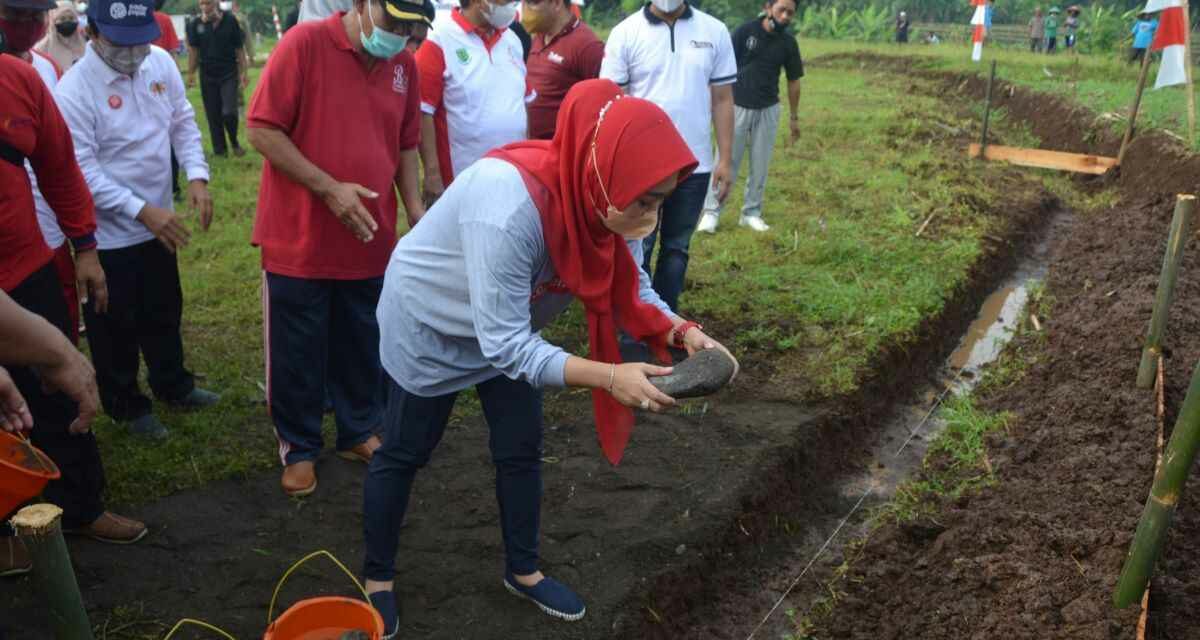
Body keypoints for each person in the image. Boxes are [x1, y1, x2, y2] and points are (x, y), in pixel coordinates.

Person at [362, 79, 738, 638]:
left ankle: (523, 569)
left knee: (520, 447)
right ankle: (377, 579)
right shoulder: (508, 208)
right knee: (405, 450)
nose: (652, 215)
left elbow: (632, 284)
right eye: (647, 200)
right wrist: (608, 376)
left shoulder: (608, 193)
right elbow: (506, 346)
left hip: (510, 325)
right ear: (604, 174)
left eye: (661, 199)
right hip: (433, 324)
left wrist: (684, 332)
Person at [246, 0, 431, 497]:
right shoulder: (304, 44)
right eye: (395, 23)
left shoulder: (403, 66)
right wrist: (328, 188)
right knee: (298, 347)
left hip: (370, 235)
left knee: (362, 337)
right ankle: (299, 447)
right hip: (300, 237)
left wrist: (414, 207)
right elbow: (261, 129)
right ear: (363, 5)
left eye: (413, 29)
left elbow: (406, 142)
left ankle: (358, 429)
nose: (402, 37)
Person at [0, 49, 144, 574]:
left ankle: (81, 505)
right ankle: (4, 530)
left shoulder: (16, 79)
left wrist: (85, 246)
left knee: (62, 390)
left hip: (25, 268)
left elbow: (60, 167)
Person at [56, 0, 220, 440]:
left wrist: (197, 175)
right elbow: (82, 171)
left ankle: (173, 383)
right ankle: (126, 405)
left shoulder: (159, 62)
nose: (133, 54)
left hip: (160, 219)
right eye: (121, 43)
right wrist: (141, 211)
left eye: (139, 42)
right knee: (115, 323)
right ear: (92, 33)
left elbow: (182, 122)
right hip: (109, 236)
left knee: (164, 306)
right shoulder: (73, 90)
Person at [600, 0, 736, 312]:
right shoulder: (626, 33)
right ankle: (634, 322)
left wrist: (725, 160)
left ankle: (667, 322)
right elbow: (611, 102)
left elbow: (723, 99)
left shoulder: (714, 31)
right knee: (638, 246)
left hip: (695, 165)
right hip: (641, 167)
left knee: (677, 248)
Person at [696, 0, 801, 235]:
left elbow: (794, 80)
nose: (785, 16)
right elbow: (721, 68)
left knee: (760, 164)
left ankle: (751, 213)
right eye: (781, 10)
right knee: (726, 160)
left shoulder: (788, 43)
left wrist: (794, 118)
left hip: (768, 108)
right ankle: (711, 211)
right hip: (737, 106)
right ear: (768, 7)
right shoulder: (745, 32)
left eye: (790, 13)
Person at [415, 0, 533, 205]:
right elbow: (423, 112)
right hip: (461, 182)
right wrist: (432, 174)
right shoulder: (439, 40)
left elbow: (523, 102)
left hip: (513, 178)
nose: (511, 5)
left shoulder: (513, 41)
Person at [521, 0, 603, 140]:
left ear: (557, 3)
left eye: (533, 3)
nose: (526, 10)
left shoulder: (587, 46)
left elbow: (602, 105)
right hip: (531, 144)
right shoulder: (539, 38)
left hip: (560, 147)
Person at [186, 0, 248, 157]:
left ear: (215, 3)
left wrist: (244, 72)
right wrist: (191, 73)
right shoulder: (195, 24)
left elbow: (239, 47)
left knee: (229, 112)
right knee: (213, 114)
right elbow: (193, 51)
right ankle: (220, 150)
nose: (204, 7)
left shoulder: (230, 20)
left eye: (208, 3)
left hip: (228, 73)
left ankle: (234, 142)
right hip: (207, 74)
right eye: (201, 4)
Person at [35, 1, 86, 71]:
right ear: (53, 21)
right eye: (62, 19)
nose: (67, 22)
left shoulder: (83, 44)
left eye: (71, 18)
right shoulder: (42, 48)